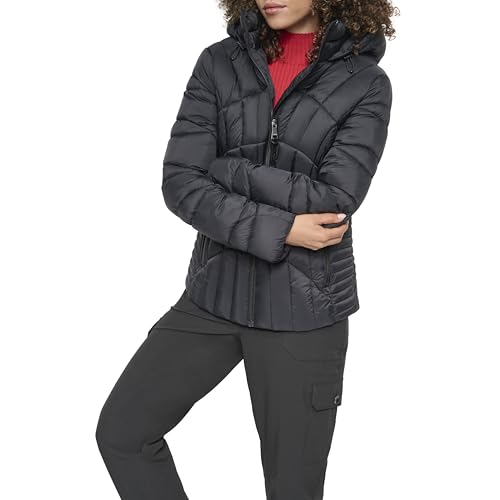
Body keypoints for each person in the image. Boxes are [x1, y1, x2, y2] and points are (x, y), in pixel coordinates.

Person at [95, 1, 396, 499]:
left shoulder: (366, 83)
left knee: (292, 490)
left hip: (305, 308)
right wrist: (283, 229)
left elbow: (335, 199)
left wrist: (225, 169)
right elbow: (181, 182)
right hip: (215, 293)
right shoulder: (219, 63)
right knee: (123, 433)